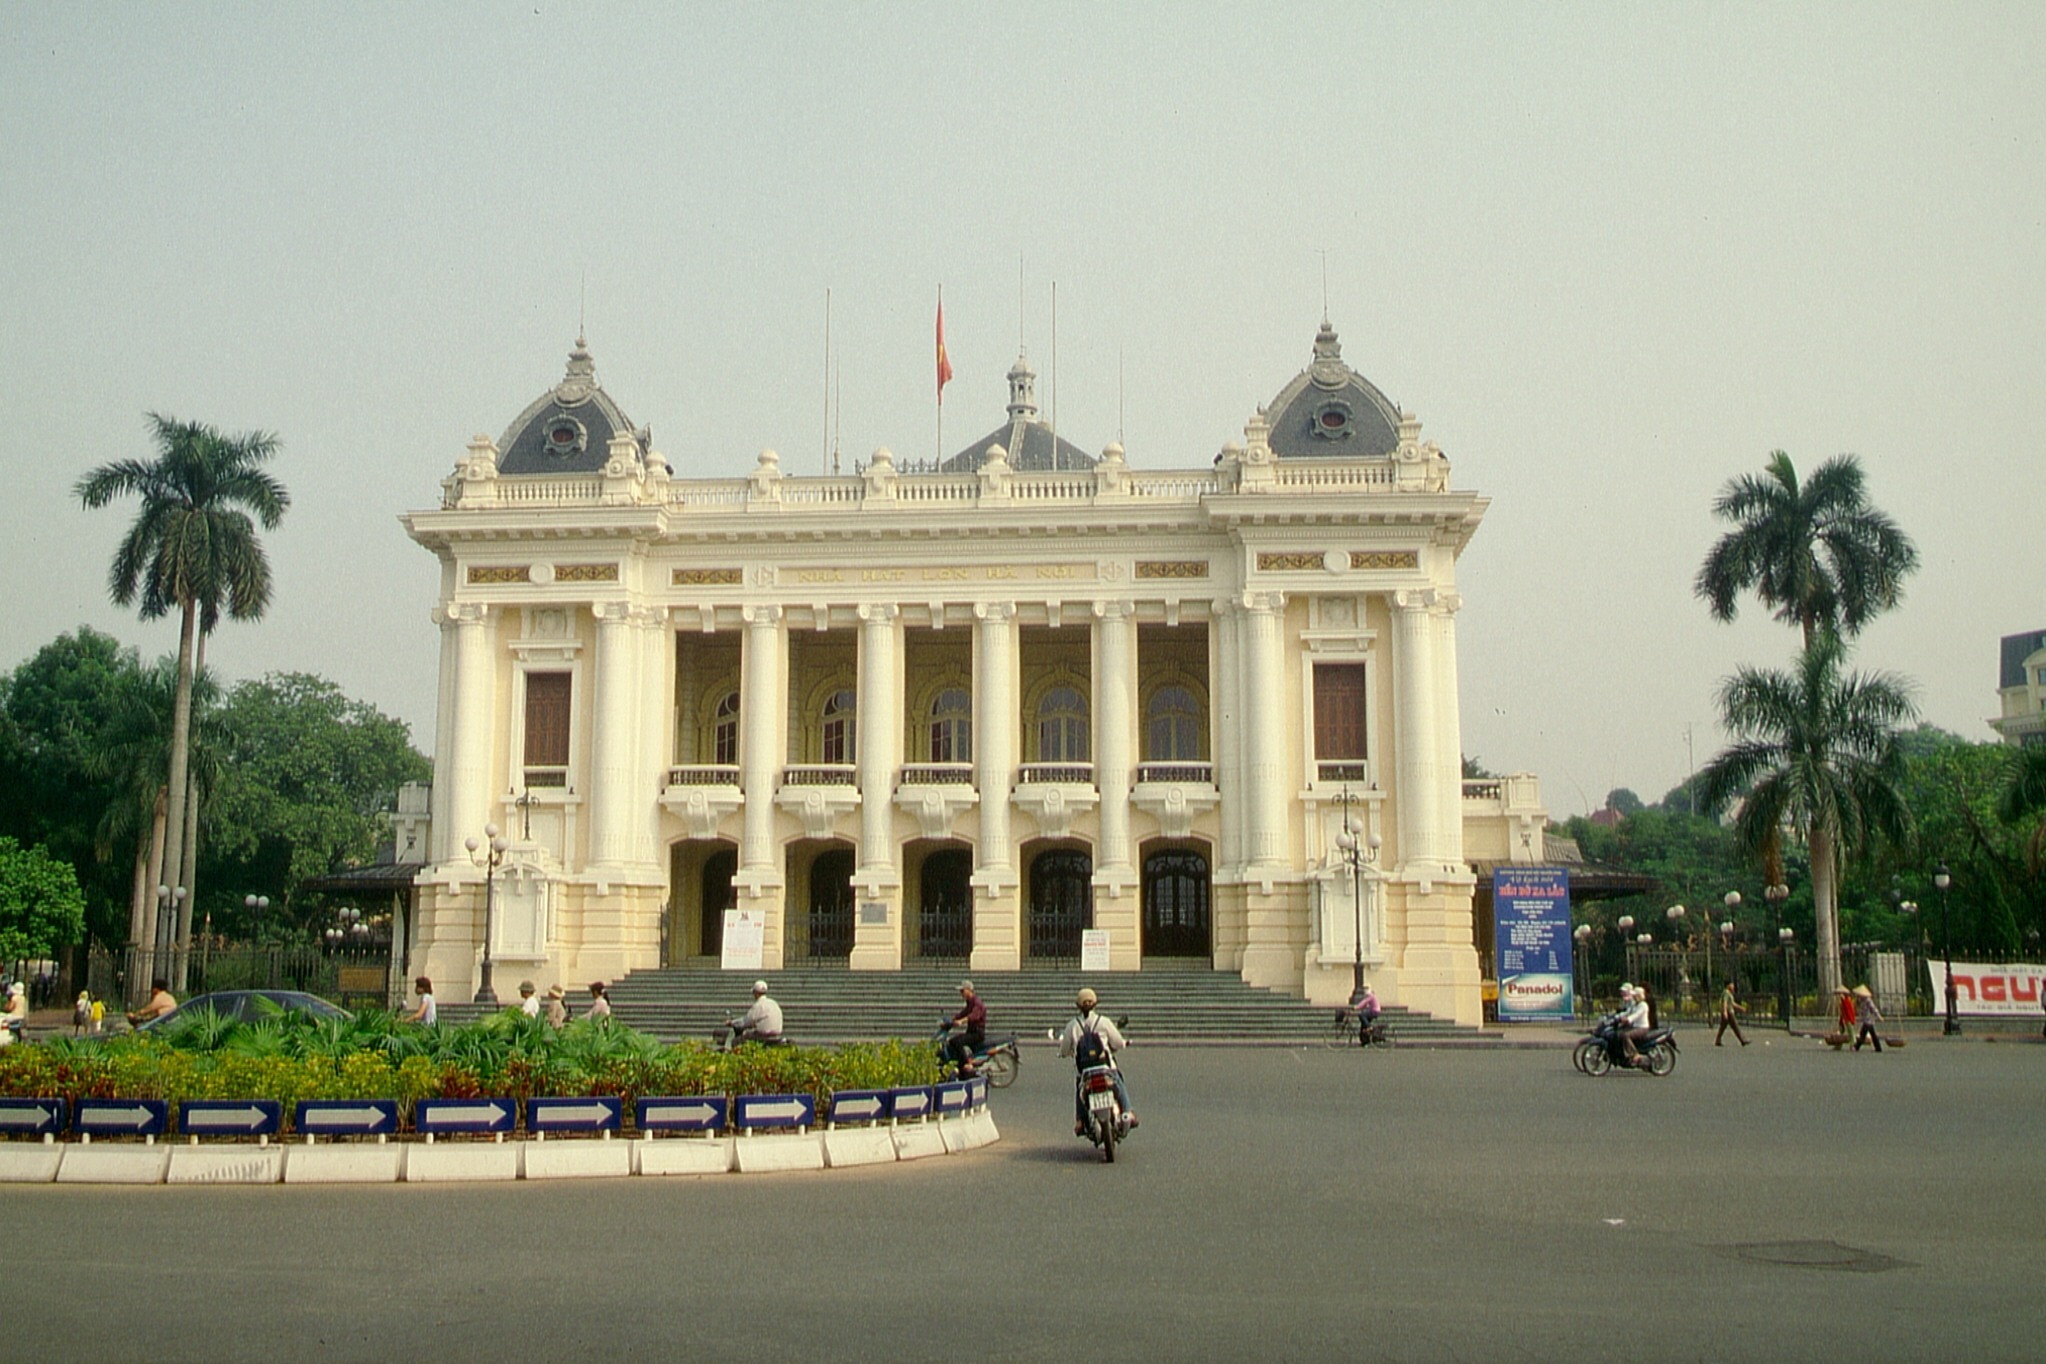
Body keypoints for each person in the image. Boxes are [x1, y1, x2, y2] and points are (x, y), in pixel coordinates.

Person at [1058, 987, 1135, 1132]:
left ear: (1078, 1005)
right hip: (1105, 1067)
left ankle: (1080, 1121)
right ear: (1095, 1003)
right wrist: (1123, 1044)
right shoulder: (1103, 1022)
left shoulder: (1072, 1026)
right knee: (1118, 1080)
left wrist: (1064, 1054)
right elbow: (1117, 1042)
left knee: (1080, 1088)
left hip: (1085, 1071)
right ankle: (1128, 1111)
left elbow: (1064, 1050)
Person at [943, 980, 987, 1075]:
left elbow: (973, 1015)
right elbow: (965, 1012)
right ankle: (959, 1065)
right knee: (952, 1041)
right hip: (971, 1031)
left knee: (957, 1042)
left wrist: (961, 1021)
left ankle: (966, 1064)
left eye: (962, 991)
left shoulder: (977, 1003)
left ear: (968, 990)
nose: (961, 993)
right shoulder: (970, 1002)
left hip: (977, 1033)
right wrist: (953, 1019)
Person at [1616, 983, 1652, 1069]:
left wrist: (1628, 1019)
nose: (1634, 997)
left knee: (1626, 1035)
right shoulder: (1635, 1004)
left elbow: (1636, 1015)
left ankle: (1635, 1054)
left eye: (1635, 996)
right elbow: (1628, 1012)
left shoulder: (1643, 1005)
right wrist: (1617, 1017)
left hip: (1642, 1028)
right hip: (1635, 1026)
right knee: (1619, 1033)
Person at [733, 979, 782, 1043]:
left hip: (762, 1036)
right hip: (777, 1035)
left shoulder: (759, 1005)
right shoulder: (773, 1003)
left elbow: (747, 1021)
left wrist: (732, 1022)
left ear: (756, 993)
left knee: (736, 1041)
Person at [1850, 984, 1885, 1052]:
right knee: (1873, 1035)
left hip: (1868, 1020)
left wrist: (1879, 1017)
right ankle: (1878, 1048)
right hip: (1867, 1020)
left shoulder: (1868, 1000)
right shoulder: (1861, 1001)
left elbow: (1874, 1009)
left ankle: (1856, 1047)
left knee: (1862, 1035)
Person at [1715, 980, 1749, 1046]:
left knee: (1723, 1027)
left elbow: (1732, 1004)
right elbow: (1725, 1002)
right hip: (1729, 1012)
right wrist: (1725, 1012)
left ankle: (1718, 1040)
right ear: (1728, 985)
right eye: (1732, 985)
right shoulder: (1726, 993)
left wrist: (1741, 1008)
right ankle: (1742, 1040)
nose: (1733, 986)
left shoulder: (1729, 993)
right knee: (1735, 1026)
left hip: (1729, 1012)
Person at [1346, 980, 1381, 1045]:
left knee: (1362, 1015)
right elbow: (1364, 1005)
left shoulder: (1370, 996)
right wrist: (1357, 1008)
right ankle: (1364, 1041)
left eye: (1366, 988)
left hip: (1374, 1011)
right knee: (1363, 1024)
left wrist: (1356, 1007)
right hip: (1373, 1011)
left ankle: (1369, 1027)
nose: (1365, 990)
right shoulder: (1370, 995)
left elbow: (1364, 1002)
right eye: (1364, 988)